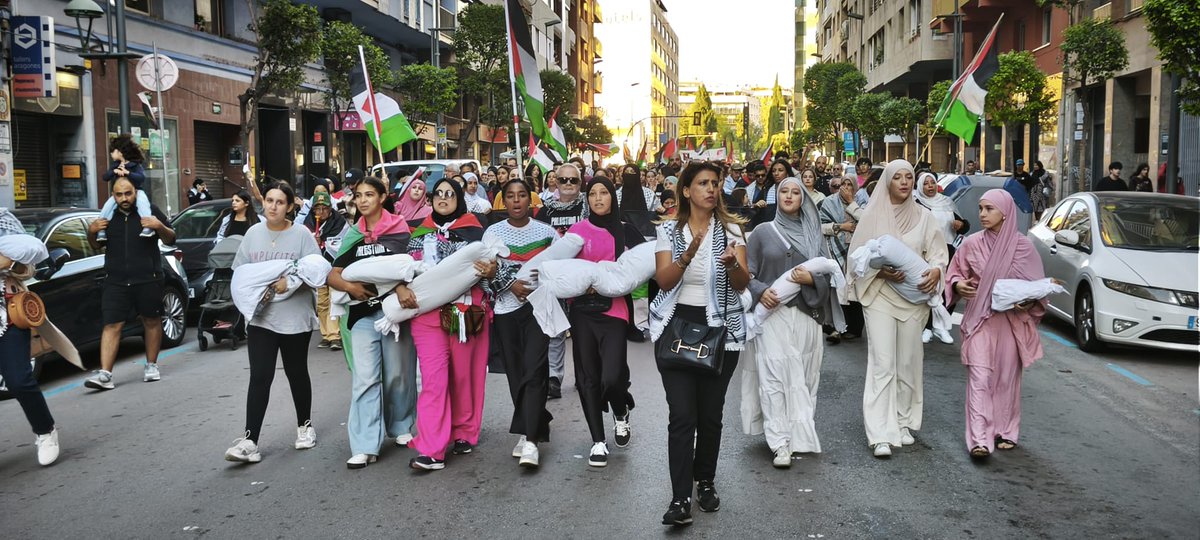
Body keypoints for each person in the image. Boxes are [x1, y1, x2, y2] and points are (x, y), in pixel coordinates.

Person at [649, 161, 749, 526]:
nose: (711, 189)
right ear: (687, 190)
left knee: (710, 416)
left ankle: (705, 481)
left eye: (715, 183)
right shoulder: (668, 231)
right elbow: (663, 281)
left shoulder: (733, 230)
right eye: (703, 183)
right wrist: (688, 253)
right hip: (676, 329)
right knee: (682, 416)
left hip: (721, 332)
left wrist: (732, 265)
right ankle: (679, 499)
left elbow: (742, 283)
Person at [846, 159, 948, 459]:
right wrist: (881, 272)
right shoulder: (872, 217)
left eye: (909, 177)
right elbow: (856, 258)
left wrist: (936, 272)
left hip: (914, 300)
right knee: (883, 362)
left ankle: (903, 422)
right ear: (887, 181)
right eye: (897, 177)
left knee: (908, 363)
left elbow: (938, 254)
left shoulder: (925, 217)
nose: (904, 182)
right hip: (879, 295)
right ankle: (879, 432)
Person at [223, 182, 321, 464]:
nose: (273, 206)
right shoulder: (253, 234)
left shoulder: (301, 234)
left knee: (296, 372)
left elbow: (315, 270)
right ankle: (250, 440)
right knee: (260, 376)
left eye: (280, 202)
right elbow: (241, 274)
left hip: (294, 318)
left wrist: (289, 282)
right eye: (269, 200)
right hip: (261, 318)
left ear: (290, 206)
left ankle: (305, 426)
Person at [944, 189, 1047, 458]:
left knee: (1006, 380)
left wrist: (1027, 301)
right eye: (980, 208)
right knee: (979, 378)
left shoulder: (1023, 246)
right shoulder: (971, 243)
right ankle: (979, 439)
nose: (982, 214)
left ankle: (1006, 430)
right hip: (980, 320)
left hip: (1010, 323)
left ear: (1005, 212)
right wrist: (959, 285)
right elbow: (954, 273)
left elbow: (1037, 286)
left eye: (989, 209)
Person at [327, 176, 419, 469]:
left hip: (394, 313)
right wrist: (350, 288)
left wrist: (402, 287)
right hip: (362, 315)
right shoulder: (351, 233)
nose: (363, 200)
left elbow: (413, 266)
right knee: (365, 378)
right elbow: (333, 273)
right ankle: (365, 444)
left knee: (398, 374)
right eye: (358, 195)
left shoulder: (400, 229)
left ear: (382, 197)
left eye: (369, 194)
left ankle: (401, 426)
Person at [746, 177, 838, 468]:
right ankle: (779, 442)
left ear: (804, 198)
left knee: (805, 378)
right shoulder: (762, 232)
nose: (788, 196)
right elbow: (745, 275)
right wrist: (762, 292)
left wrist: (811, 279)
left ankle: (799, 434)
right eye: (783, 191)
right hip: (772, 315)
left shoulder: (814, 235)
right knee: (773, 377)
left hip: (807, 315)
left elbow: (831, 275)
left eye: (795, 191)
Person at [406, 178, 496, 471]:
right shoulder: (419, 232)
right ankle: (432, 448)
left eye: (450, 194)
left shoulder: (475, 231)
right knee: (434, 381)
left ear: (459, 198)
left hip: (464, 313)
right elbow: (406, 270)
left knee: (463, 376)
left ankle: (464, 431)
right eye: (439, 194)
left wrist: (491, 271)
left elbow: (488, 274)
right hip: (427, 315)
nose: (443, 198)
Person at [566, 176, 644, 469]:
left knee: (612, 378)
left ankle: (621, 412)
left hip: (614, 312)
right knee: (587, 377)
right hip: (582, 312)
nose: (598, 198)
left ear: (613, 197)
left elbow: (644, 266)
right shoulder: (576, 232)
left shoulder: (626, 231)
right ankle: (598, 441)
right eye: (593, 194)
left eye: (604, 193)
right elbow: (564, 267)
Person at [485, 179, 559, 468]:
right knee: (516, 374)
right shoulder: (492, 232)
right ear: (504, 201)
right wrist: (510, 285)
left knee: (534, 371)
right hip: (505, 311)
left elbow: (557, 270)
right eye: (510, 196)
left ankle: (530, 440)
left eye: (522, 196)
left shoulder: (547, 232)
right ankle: (537, 421)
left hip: (539, 310)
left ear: (531, 200)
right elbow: (483, 272)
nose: (516, 201)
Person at [84, 178, 176, 390]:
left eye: (128, 193)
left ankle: (151, 365)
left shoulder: (148, 210)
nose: (124, 198)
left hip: (148, 277)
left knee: (151, 320)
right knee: (112, 324)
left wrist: (158, 225)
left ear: (135, 192)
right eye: (119, 195)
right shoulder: (108, 215)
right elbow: (96, 245)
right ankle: (105, 374)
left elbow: (171, 238)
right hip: (115, 280)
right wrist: (91, 231)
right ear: (113, 195)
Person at [0, 210, 61, 465]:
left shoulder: (3, 220)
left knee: (19, 380)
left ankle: (46, 431)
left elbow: (31, 266)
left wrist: (8, 262)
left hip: (7, 315)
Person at [534, 163, 589, 398]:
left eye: (573, 180)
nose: (568, 184)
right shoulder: (545, 212)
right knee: (554, 330)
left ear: (580, 182)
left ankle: (585, 377)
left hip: (584, 276)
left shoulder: (589, 208)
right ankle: (554, 378)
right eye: (563, 180)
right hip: (554, 278)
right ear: (555, 182)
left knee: (583, 332)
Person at [914, 171, 969, 345]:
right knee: (930, 289)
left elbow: (963, 226)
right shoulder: (917, 204)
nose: (930, 186)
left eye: (932, 183)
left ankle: (942, 325)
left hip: (950, 250)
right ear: (920, 186)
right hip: (926, 252)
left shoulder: (947, 202)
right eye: (926, 183)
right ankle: (927, 327)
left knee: (949, 289)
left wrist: (961, 225)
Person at [819, 175, 865, 343]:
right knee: (838, 288)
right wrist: (840, 227)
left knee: (854, 288)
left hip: (857, 251)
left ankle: (853, 327)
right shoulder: (829, 203)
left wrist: (851, 202)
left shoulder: (862, 202)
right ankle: (836, 327)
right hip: (834, 251)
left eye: (849, 184)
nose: (846, 188)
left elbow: (867, 222)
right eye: (842, 185)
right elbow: (820, 225)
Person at [303, 191, 348, 350]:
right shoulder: (307, 224)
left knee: (334, 300)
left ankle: (335, 335)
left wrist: (323, 242)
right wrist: (313, 242)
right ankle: (326, 334)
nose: (321, 212)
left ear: (330, 208)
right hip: (317, 269)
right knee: (321, 302)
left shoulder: (340, 223)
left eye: (324, 208)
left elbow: (341, 246)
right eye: (317, 209)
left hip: (334, 268)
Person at [97, 135, 154, 241]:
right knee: (107, 206)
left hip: (136, 191)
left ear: (119, 151)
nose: (111, 154)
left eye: (112, 151)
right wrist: (114, 171)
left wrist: (128, 173)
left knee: (143, 203)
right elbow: (105, 177)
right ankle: (102, 229)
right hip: (118, 193)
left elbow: (141, 178)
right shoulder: (115, 165)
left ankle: (148, 226)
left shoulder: (135, 165)